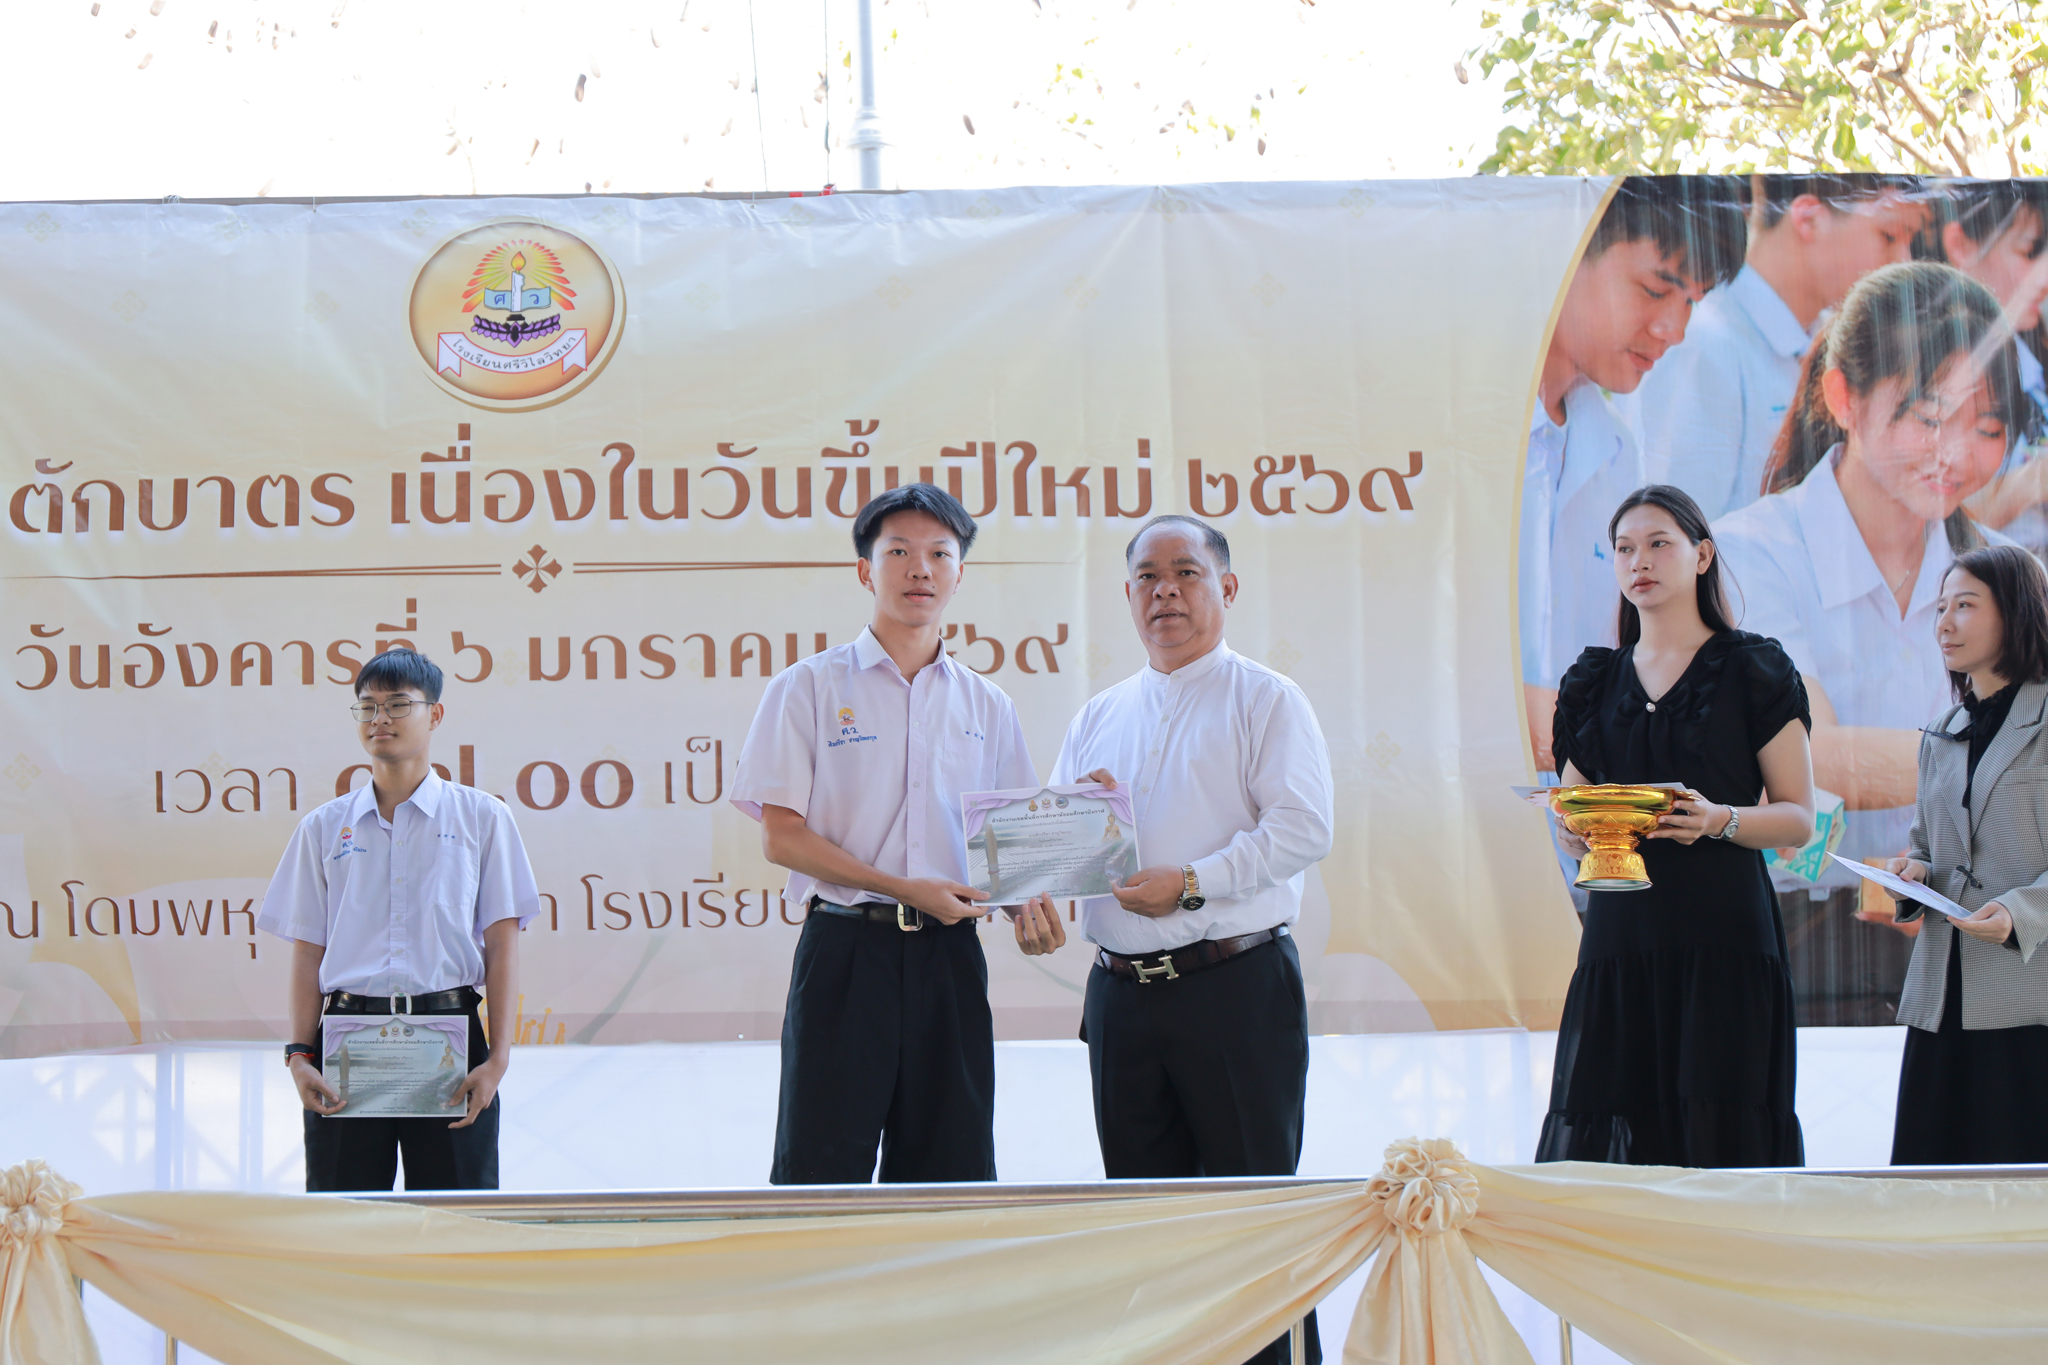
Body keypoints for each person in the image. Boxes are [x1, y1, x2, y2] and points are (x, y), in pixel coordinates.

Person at [1713, 261, 2033, 1024]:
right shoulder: (1749, 555)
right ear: (1843, 397)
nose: (1956, 452)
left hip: (1969, 945)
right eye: (1929, 416)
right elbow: (1807, 756)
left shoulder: (2013, 577)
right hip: (1791, 941)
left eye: (1988, 428)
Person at [1049, 514, 1334, 1365]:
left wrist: (1193, 880)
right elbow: (1061, 850)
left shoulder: (1266, 698)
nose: (1164, 591)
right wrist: (1042, 883)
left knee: (1256, 1226)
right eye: (1147, 576)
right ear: (1127, 594)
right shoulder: (1099, 714)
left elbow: (1303, 828)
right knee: (1148, 1230)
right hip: (1122, 1000)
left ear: (1227, 587)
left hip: (1234, 991)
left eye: (1186, 571)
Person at [731, 483, 1066, 1186]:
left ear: (960, 573)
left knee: (952, 1173)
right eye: (900, 552)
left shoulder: (988, 705)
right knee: (821, 1170)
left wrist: (1036, 900)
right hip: (847, 954)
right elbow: (782, 838)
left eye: (941, 554)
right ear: (865, 569)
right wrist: (900, 887)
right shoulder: (808, 687)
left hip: (950, 959)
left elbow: (1009, 855)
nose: (921, 569)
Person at [1539, 486, 1816, 1167]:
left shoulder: (1755, 668)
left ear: (1703, 555)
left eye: (1659, 543)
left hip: (1724, 936)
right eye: (1624, 548)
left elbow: (1798, 818)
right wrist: (1576, 830)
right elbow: (1572, 806)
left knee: (1722, 1134)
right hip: (1620, 934)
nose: (1640, 561)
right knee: (1613, 1125)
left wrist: (1719, 819)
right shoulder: (1591, 681)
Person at [258, 648, 540, 1192]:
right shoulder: (324, 827)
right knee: (346, 1220)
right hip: (348, 1045)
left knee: (455, 1217)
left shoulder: (483, 818)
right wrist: (299, 1055)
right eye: (367, 707)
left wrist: (497, 1060)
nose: (379, 719)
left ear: (435, 715)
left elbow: (502, 946)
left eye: (397, 704)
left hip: (450, 1040)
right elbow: (309, 950)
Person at [1523, 175, 1747, 774]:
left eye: (1692, 301)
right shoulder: (1461, 434)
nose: (1673, 330)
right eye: (1655, 289)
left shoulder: (1618, 452)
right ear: (1567, 258)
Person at [1623, 174, 1925, 522]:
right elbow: (1673, 532)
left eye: (1910, 240)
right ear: (1808, 219)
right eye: (1889, 236)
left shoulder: (1834, 343)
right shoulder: (1703, 343)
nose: (1904, 261)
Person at [1886, 545, 2048, 1164]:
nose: (1945, 623)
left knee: (2019, 1187)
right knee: (1933, 1186)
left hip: (2028, 996)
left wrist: (2017, 912)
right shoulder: (1942, 731)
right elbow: (1929, 847)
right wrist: (1913, 873)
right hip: (1943, 996)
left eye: (1966, 605)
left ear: (2015, 612)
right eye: (1940, 608)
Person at [1921, 181, 2048, 548]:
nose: (2044, 279)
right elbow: (1925, 525)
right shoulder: (1926, 367)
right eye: (2029, 252)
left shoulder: (2028, 362)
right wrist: (2032, 481)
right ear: (1960, 245)